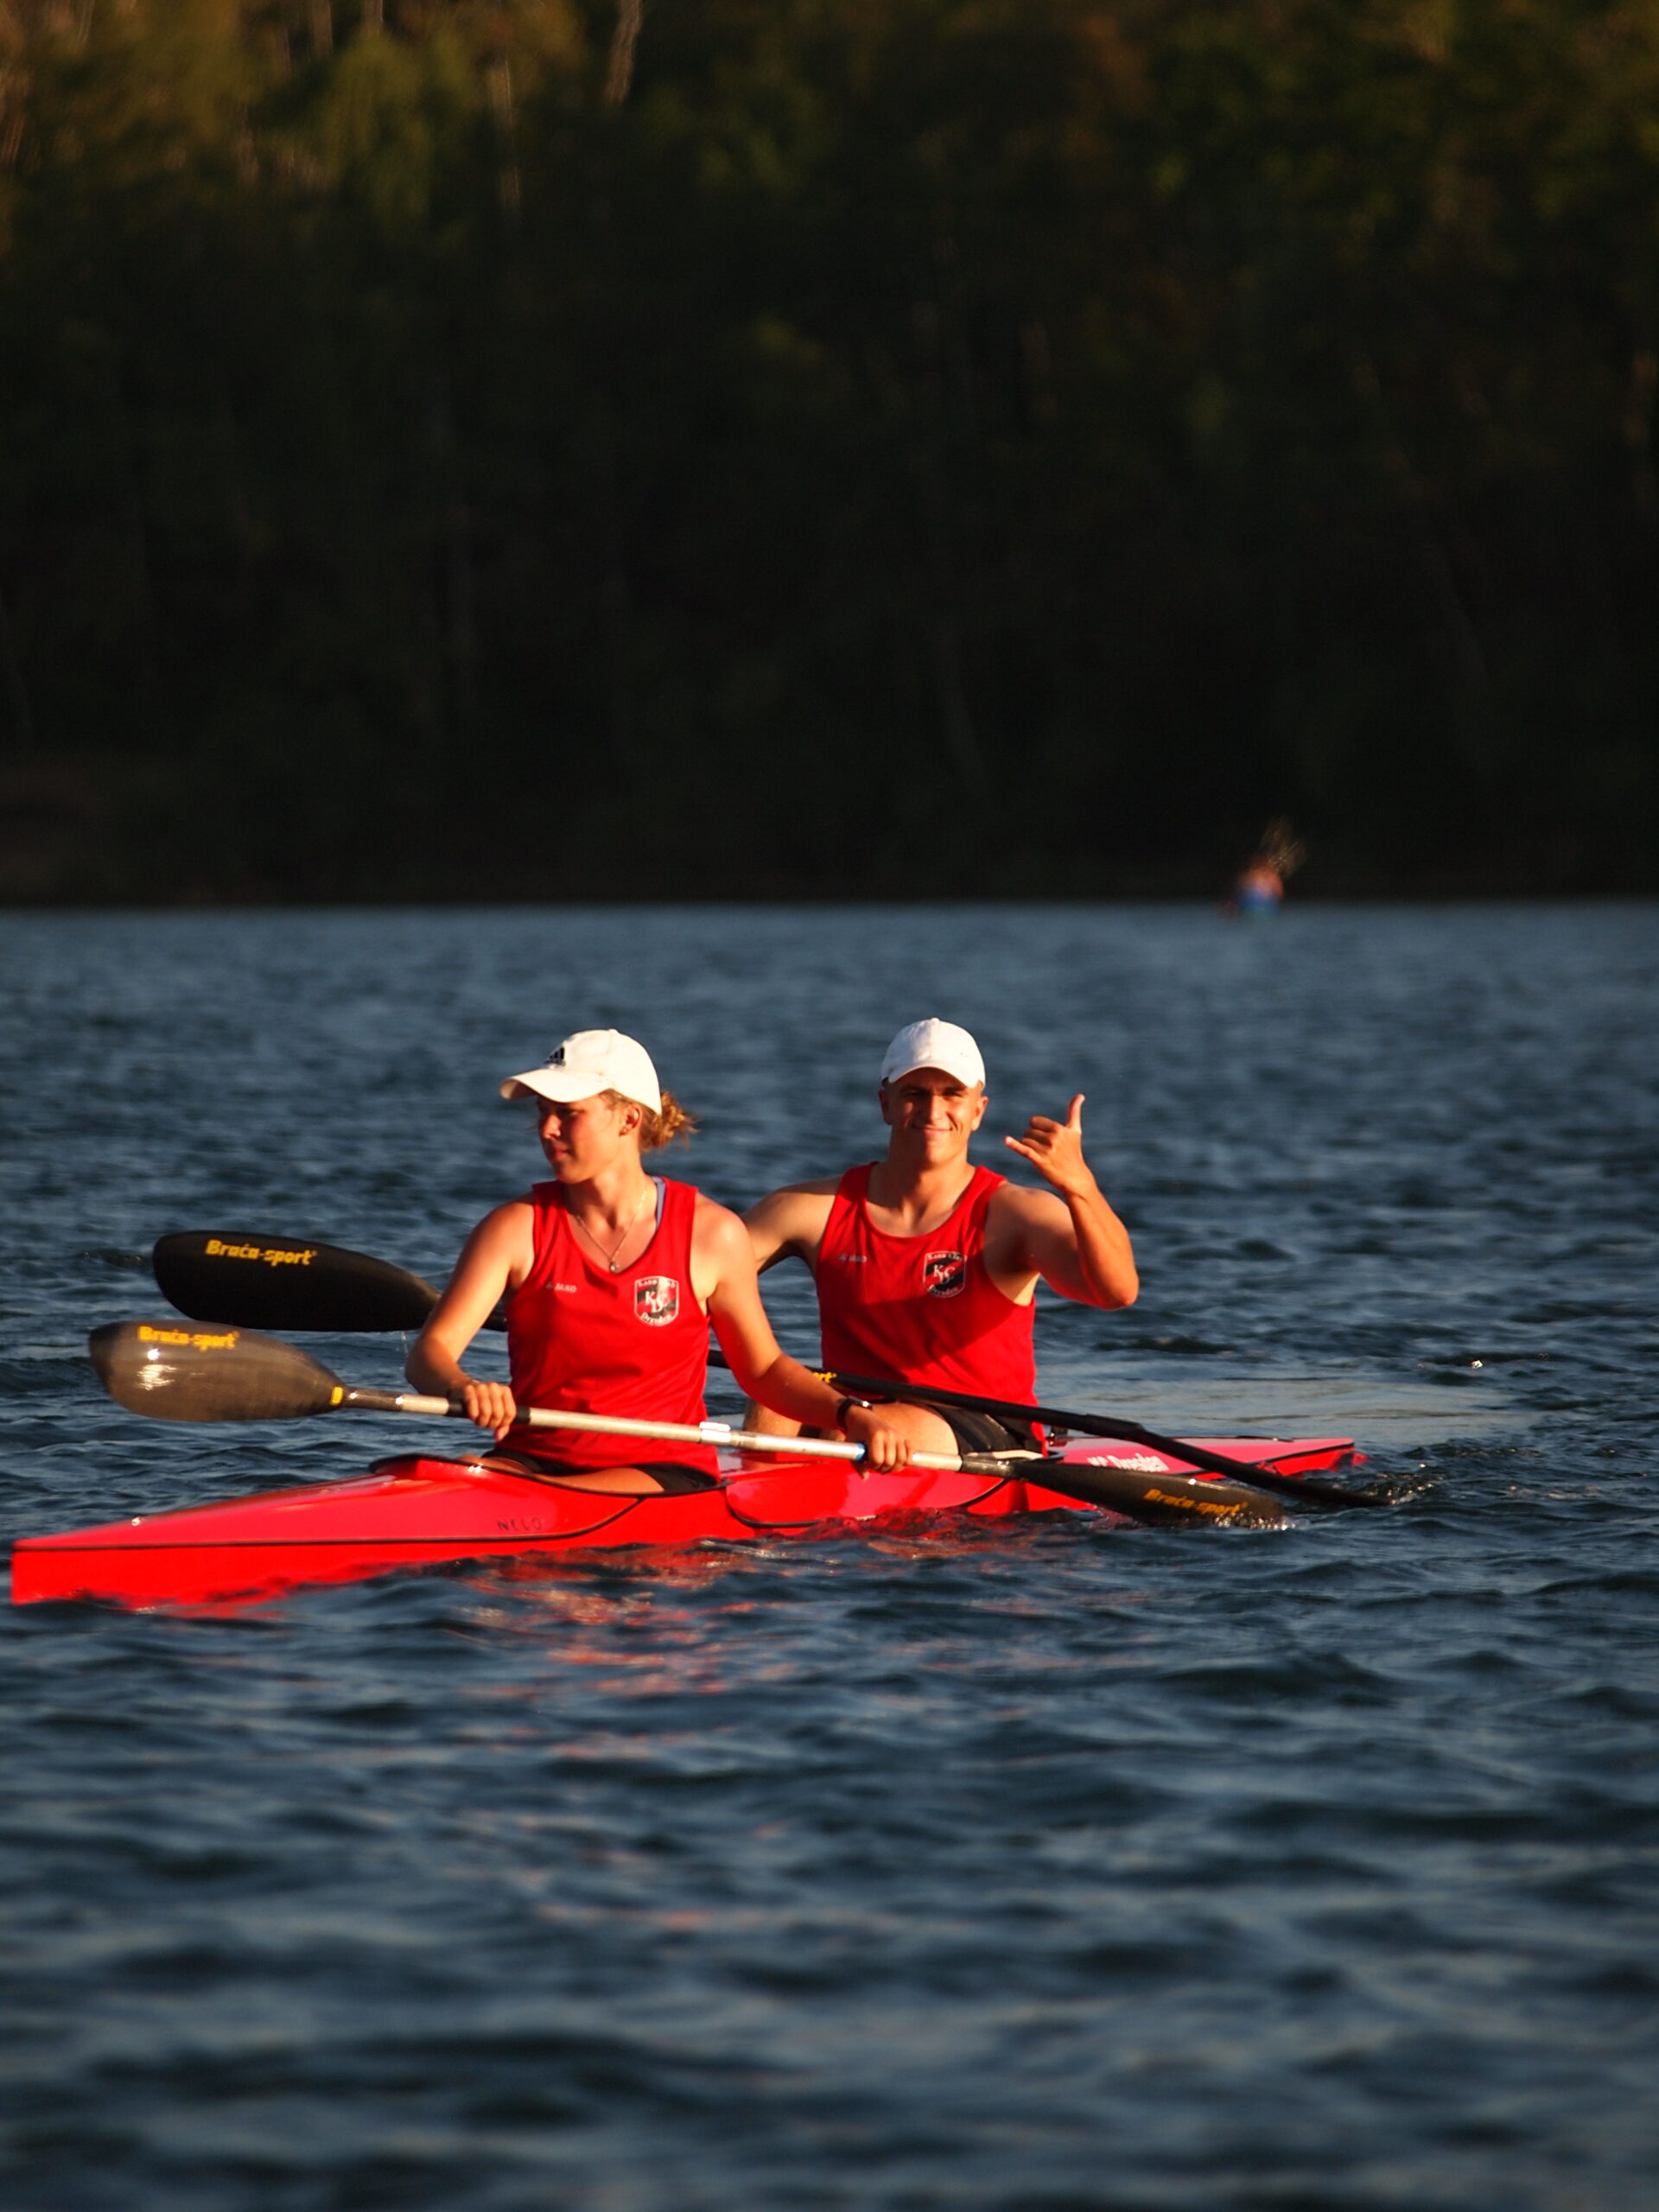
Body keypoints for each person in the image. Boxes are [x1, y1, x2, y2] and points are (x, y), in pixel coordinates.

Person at [407, 1029, 912, 1491]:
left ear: (628, 1118)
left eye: (568, 1112)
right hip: (530, 1461)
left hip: (662, 1473)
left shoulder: (711, 1235)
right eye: (542, 1111)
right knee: (431, 1476)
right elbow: (429, 1354)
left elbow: (761, 1370)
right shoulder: (513, 1229)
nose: (547, 1128)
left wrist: (852, 1414)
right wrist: (465, 1385)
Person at [742, 1020, 1139, 1459]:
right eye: (915, 1094)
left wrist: (1080, 1187)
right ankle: (755, 1512)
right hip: (858, 1412)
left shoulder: (1014, 1215)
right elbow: (697, 1271)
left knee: (845, 1433)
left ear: (978, 1111)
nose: (933, 1112)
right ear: (885, 1105)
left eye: (952, 1095)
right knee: (772, 1400)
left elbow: (1116, 1292)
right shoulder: (810, 1209)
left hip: (984, 1425)